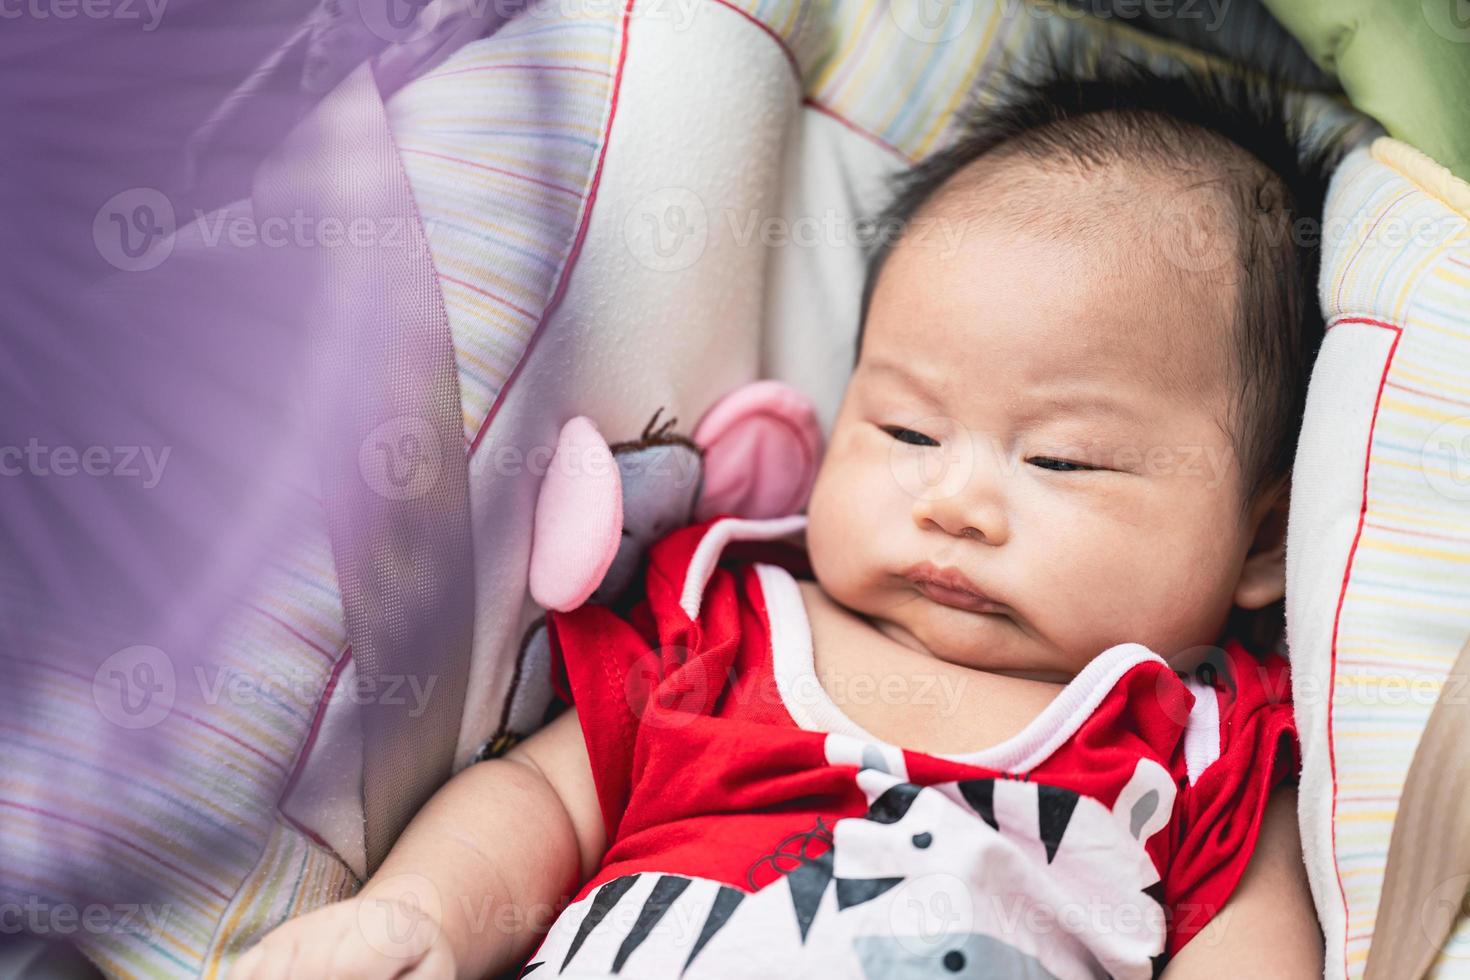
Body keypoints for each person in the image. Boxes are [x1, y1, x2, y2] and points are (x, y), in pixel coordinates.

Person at [235, 50, 1344, 980]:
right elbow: (540, 796)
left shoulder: (1204, 747)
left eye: (1061, 458)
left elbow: (1252, 945)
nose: (952, 502)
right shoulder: (729, 632)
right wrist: (422, 911)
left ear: (1259, 538)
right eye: (908, 432)